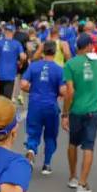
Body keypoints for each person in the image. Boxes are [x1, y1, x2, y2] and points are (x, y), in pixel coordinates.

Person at [61, 34, 97, 192]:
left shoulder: (70, 64)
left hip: (76, 110)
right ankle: (82, 183)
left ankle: (72, 176)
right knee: (88, 145)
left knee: (73, 142)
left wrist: (65, 113)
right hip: (93, 109)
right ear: (87, 46)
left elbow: (69, 91)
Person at [21, 41, 65, 175]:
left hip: (35, 104)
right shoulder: (59, 69)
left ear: (43, 51)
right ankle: (46, 164)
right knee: (50, 135)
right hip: (51, 106)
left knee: (33, 132)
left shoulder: (33, 66)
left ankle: (31, 151)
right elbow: (63, 90)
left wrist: (34, 90)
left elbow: (23, 84)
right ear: (55, 52)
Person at [0, 24, 25, 99]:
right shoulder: (17, 44)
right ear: (13, 33)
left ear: (4, 32)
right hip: (11, 72)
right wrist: (21, 63)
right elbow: (22, 57)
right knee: (7, 97)